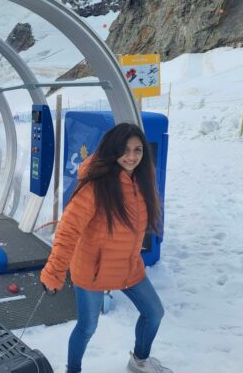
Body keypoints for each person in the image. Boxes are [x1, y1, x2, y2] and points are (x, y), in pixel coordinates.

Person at [40, 123, 172, 373]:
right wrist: (54, 272)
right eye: (125, 150)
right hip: (93, 269)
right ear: (112, 150)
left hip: (128, 266)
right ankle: (73, 370)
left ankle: (139, 360)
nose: (132, 156)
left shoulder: (141, 183)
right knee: (87, 327)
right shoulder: (95, 187)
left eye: (138, 150)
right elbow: (68, 232)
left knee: (154, 312)